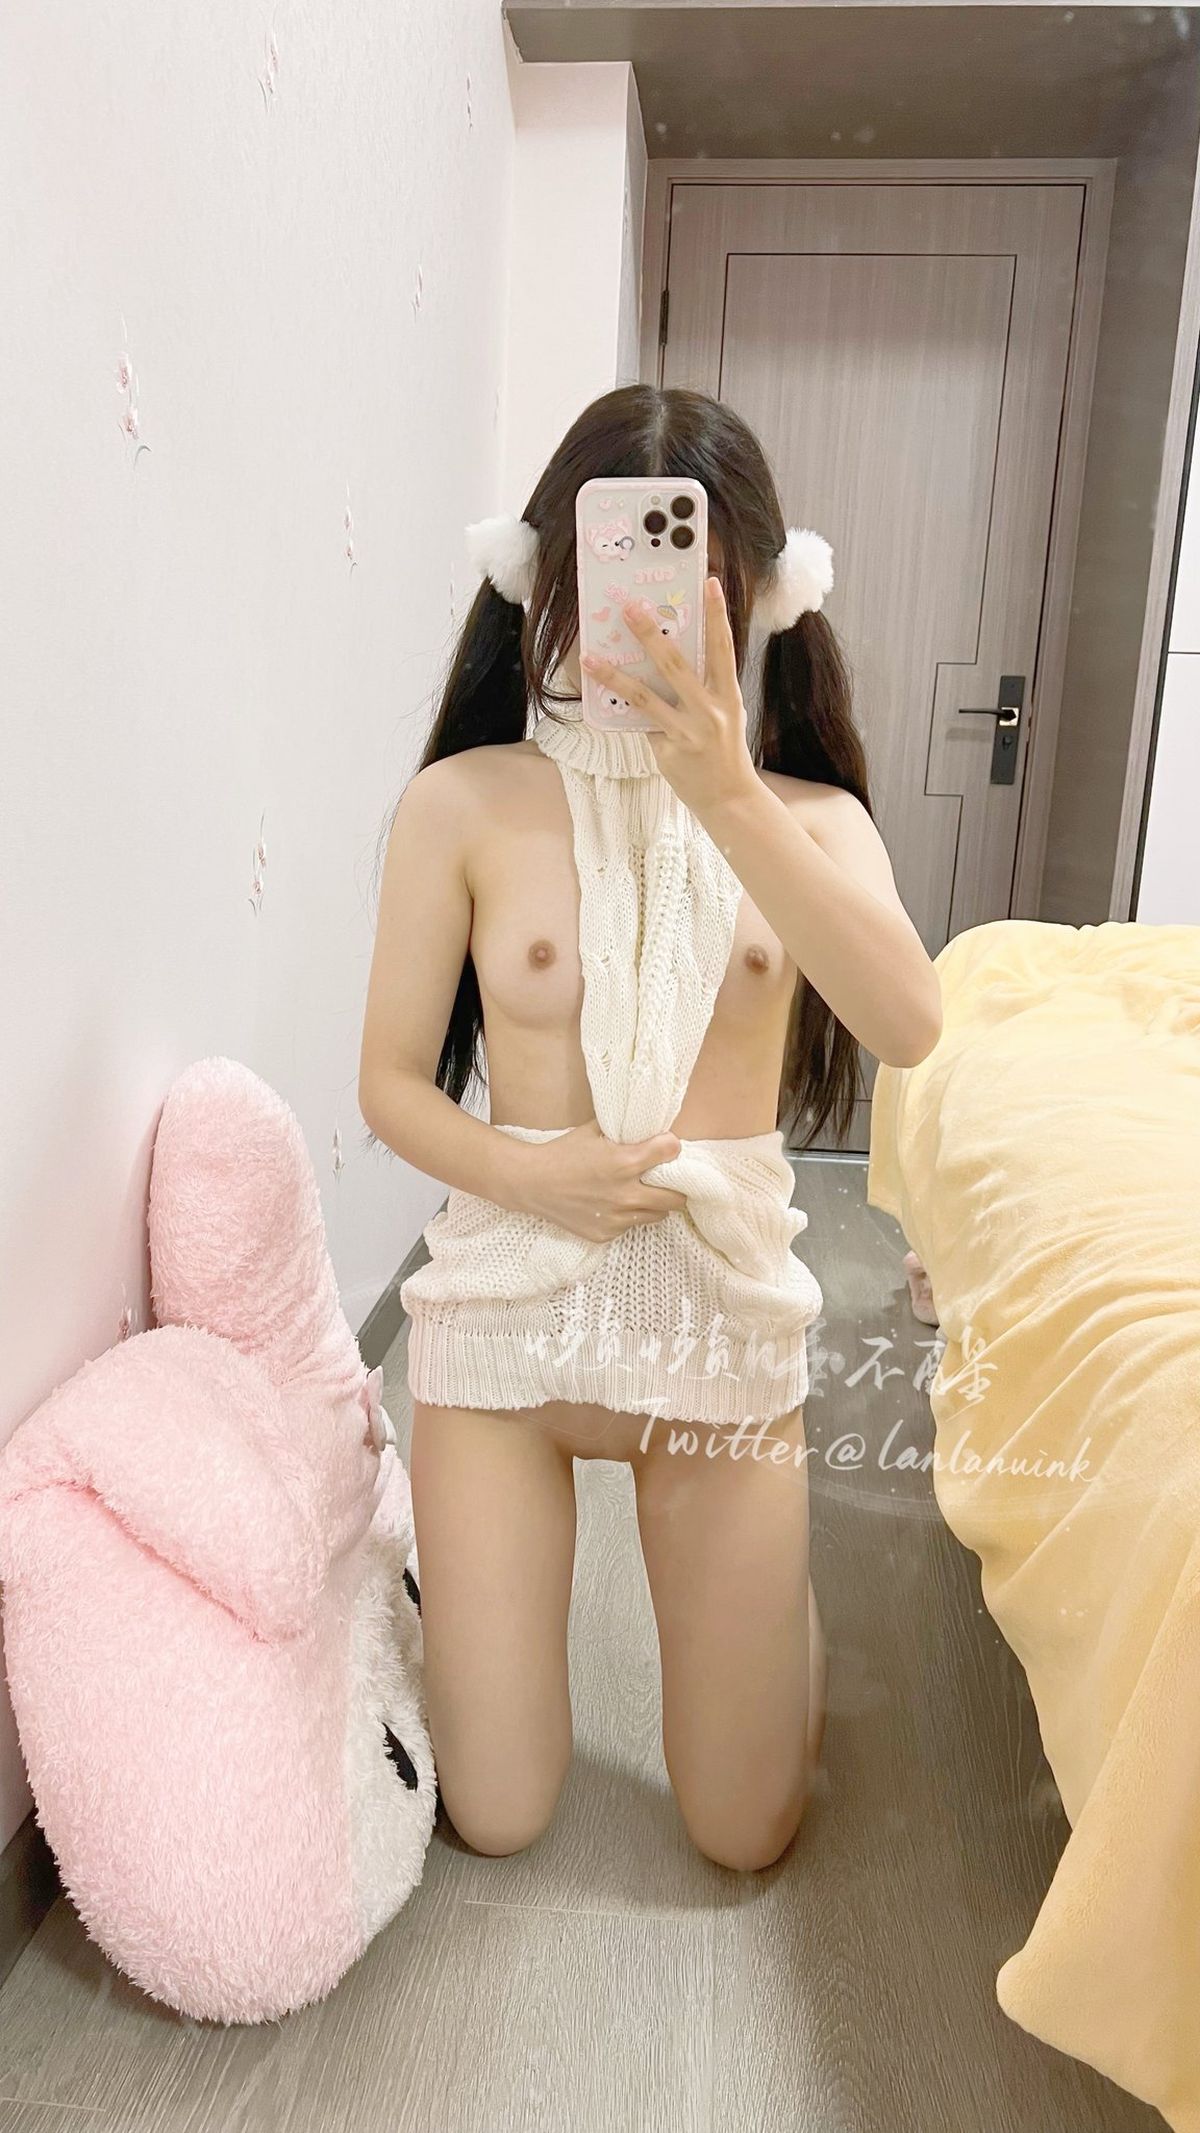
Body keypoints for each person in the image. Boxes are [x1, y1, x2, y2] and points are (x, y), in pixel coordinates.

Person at [358, 383, 942, 1872]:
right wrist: (527, 1172)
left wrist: (729, 791)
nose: (653, 618)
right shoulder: (462, 804)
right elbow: (391, 1083)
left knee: (746, 1831)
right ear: (549, 582)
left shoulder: (810, 820)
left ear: (759, 596)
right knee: (498, 1813)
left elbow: (909, 1023)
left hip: (718, 1329)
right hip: (506, 1330)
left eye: (700, 584)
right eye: (613, 573)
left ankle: (775, 1607)